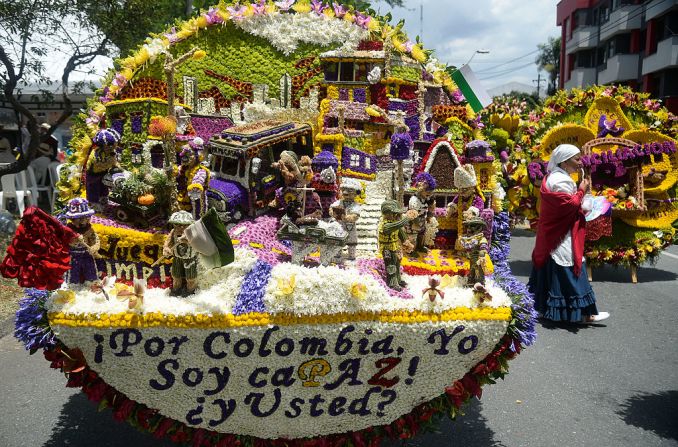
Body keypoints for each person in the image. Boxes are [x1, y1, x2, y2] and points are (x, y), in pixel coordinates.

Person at [529, 144, 610, 324]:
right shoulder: (560, 181)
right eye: (576, 159)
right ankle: (585, 314)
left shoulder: (557, 177)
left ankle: (544, 308)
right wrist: (582, 191)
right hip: (561, 232)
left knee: (552, 264)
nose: (580, 163)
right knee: (571, 265)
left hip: (554, 231)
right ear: (565, 161)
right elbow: (570, 206)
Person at [377, 200, 416, 291]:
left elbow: (400, 233)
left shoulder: (394, 223)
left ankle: (398, 280)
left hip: (395, 246)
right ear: (388, 213)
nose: (397, 216)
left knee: (397, 263)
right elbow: (396, 226)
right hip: (387, 248)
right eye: (394, 214)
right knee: (391, 265)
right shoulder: (385, 224)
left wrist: (406, 242)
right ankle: (392, 283)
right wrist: (407, 218)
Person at [64, 198, 100, 284]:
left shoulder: (89, 229)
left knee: (91, 270)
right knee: (73, 273)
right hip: (73, 255)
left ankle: (91, 284)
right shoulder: (68, 230)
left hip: (87, 254)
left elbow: (95, 240)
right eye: (81, 218)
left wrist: (94, 247)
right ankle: (72, 286)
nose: (86, 220)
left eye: (87, 217)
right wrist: (74, 240)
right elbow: (64, 242)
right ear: (73, 219)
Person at [163, 210, 199, 297]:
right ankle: (176, 290)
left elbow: (199, 245)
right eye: (178, 225)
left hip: (190, 260)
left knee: (191, 278)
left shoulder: (194, 233)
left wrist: (188, 242)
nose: (181, 228)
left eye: (185, 225)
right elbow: (167, 243)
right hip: (177, 258)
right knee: (176, 276)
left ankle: (190, 292)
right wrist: (166, 249)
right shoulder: (173, 232)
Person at [330, 177, 362, 260]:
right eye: (344, 190)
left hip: (350, 227)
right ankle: (337, 254)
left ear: (356, 193)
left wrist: (349, 217)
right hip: (339, 226)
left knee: (351, 242)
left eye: (350, 191)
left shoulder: (355, 205)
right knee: (338, 240)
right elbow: (332, 208)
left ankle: (351, 256)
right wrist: (332, 212)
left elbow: (355, 215)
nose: (345, 192)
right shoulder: (339, 202)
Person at [407, 172, 437, 253]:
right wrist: (416, 223)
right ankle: (411, 251)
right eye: (427, 191)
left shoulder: (426, 198)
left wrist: (429, 216)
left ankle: (420, 247)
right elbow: (413, 214)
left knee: (422, 234)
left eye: (431, 191)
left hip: (422, 220)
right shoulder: (414, 200)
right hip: (413, 221)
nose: (429, 193)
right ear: (421, 190)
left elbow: (431, 207)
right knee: (413, 237)